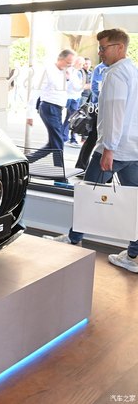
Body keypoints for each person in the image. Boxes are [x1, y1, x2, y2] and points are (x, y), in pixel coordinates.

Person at [45, 28, 138, 274]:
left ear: (120, 47)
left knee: (88, 196)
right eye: (100, 48)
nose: (100, 52)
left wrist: (109, 149)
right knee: (135, 204)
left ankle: (73, 240)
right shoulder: (133, 70)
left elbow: (115, 113)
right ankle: (134, 255)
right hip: (133, 148)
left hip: (114, 149)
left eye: (104, 48)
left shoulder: (115, 74)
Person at [25, 49, 76, 165]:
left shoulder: (66, 72)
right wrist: (29, 114)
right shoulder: (47, 71)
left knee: (54, 142)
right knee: (58, 140)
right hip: (48, 107)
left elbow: (75, 89)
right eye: (68, 62)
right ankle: (59, 171)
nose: (70, 65)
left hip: (58, 109)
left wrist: (69, 77)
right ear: (60, 59)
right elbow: (35, 92)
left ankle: (26, 160)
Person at [63, 56, 85, 146]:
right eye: (81, 64)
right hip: (70, 98)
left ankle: (69, 137)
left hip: (76, 97)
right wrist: (86, 86)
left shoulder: (78, 72)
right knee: (71, 118)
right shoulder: (70, 71)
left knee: (72, 118)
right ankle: (65, 137)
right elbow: (76, 86)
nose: (82, 66)